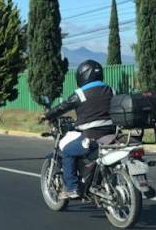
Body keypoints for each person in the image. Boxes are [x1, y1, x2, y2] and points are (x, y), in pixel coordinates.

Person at [41, 60, 115, 199]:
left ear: (82, 76)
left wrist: (47, 115)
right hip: (111, 134)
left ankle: (72, 188)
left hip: (91, 136)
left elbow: (63, 107)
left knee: (67, 151)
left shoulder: (80, 94)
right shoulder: (111, 90)